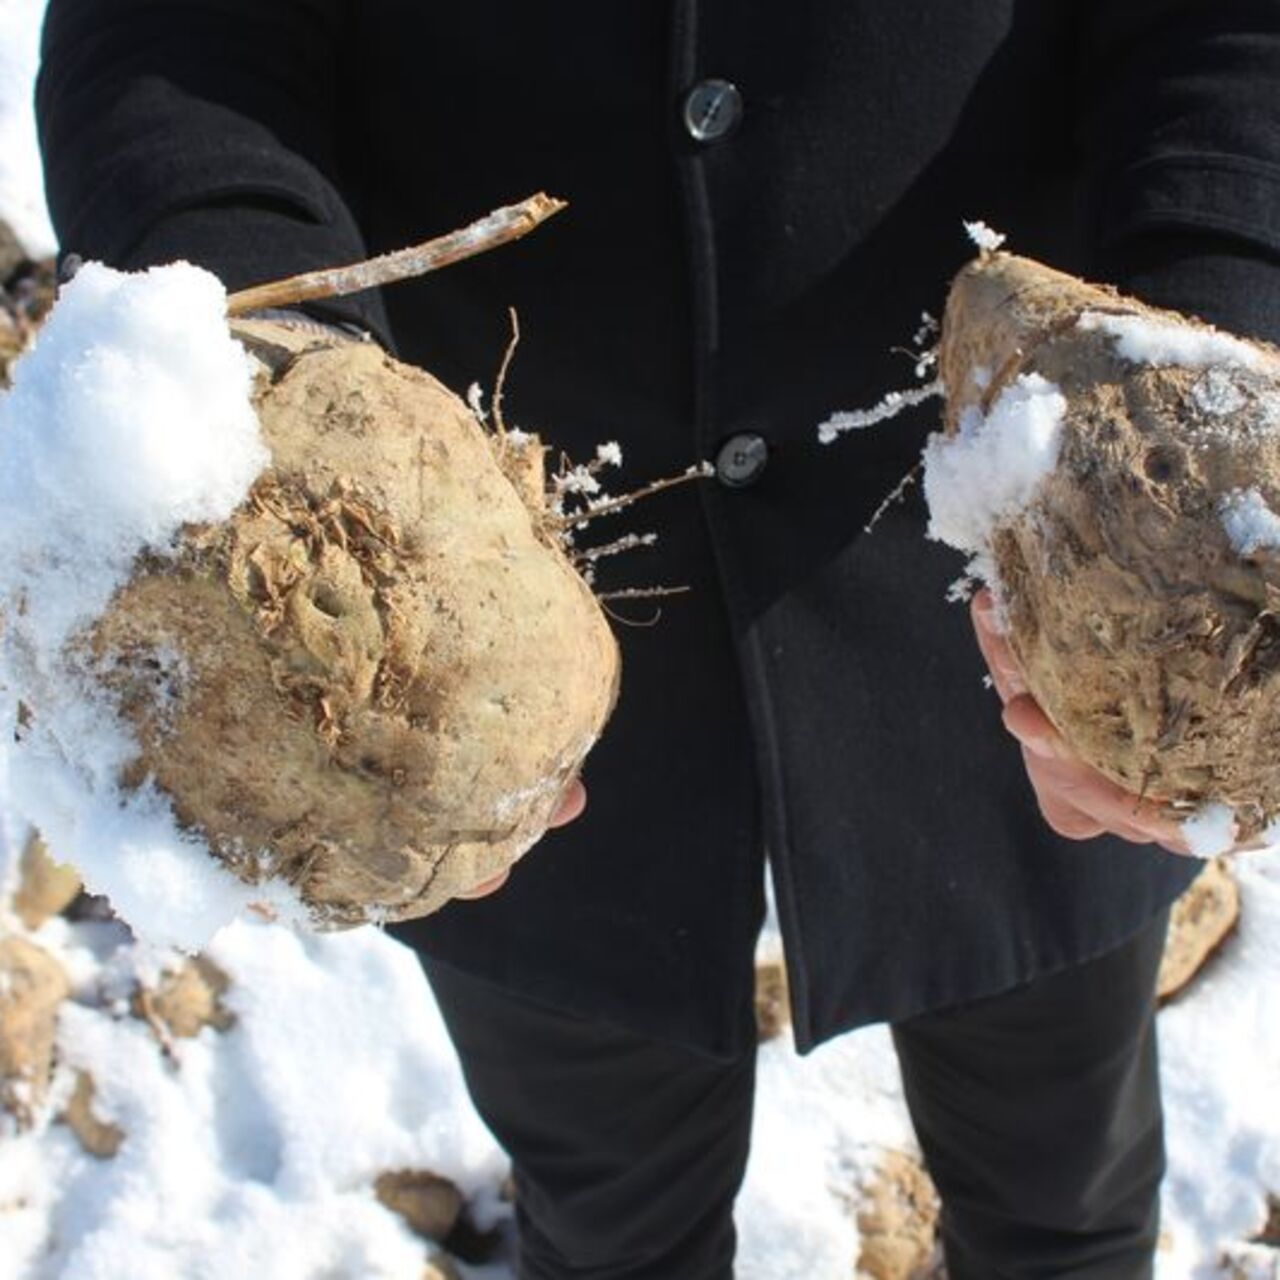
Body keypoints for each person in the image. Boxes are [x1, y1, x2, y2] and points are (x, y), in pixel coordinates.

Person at [36, 3, 1280, 1276]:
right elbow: (169, 38)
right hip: (448, 634)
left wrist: (1211, 374)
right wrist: (266, 387)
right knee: (609, 1227)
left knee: (1058, 1210)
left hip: (1038, 603)